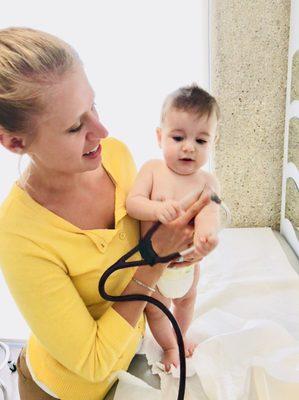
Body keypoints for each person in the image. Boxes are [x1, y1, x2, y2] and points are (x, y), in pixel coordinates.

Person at [0, 27, 216, 400]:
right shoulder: (18, 236)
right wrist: (154, 260)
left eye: (93, 106)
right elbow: (94, 361)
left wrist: (184, 246)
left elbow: (144, 241)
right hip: (64, 390)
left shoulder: (114, 155)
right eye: (74, 126)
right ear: (16, 142)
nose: (102, 130)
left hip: (126, 362)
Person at [126, 84, 221, 371]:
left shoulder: (207, 182)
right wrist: (156, 209)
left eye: (201, 141)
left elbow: (211, 213)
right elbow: (133, 203)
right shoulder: (153, 169)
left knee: (186, 303)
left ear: (213, 143)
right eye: (178, 137)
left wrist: (207, 238)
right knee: (156, 310)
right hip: (155, 266)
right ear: (160, 136)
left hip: (187, 266)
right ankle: (169, 347)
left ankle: (180, 336)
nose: (189, 147)